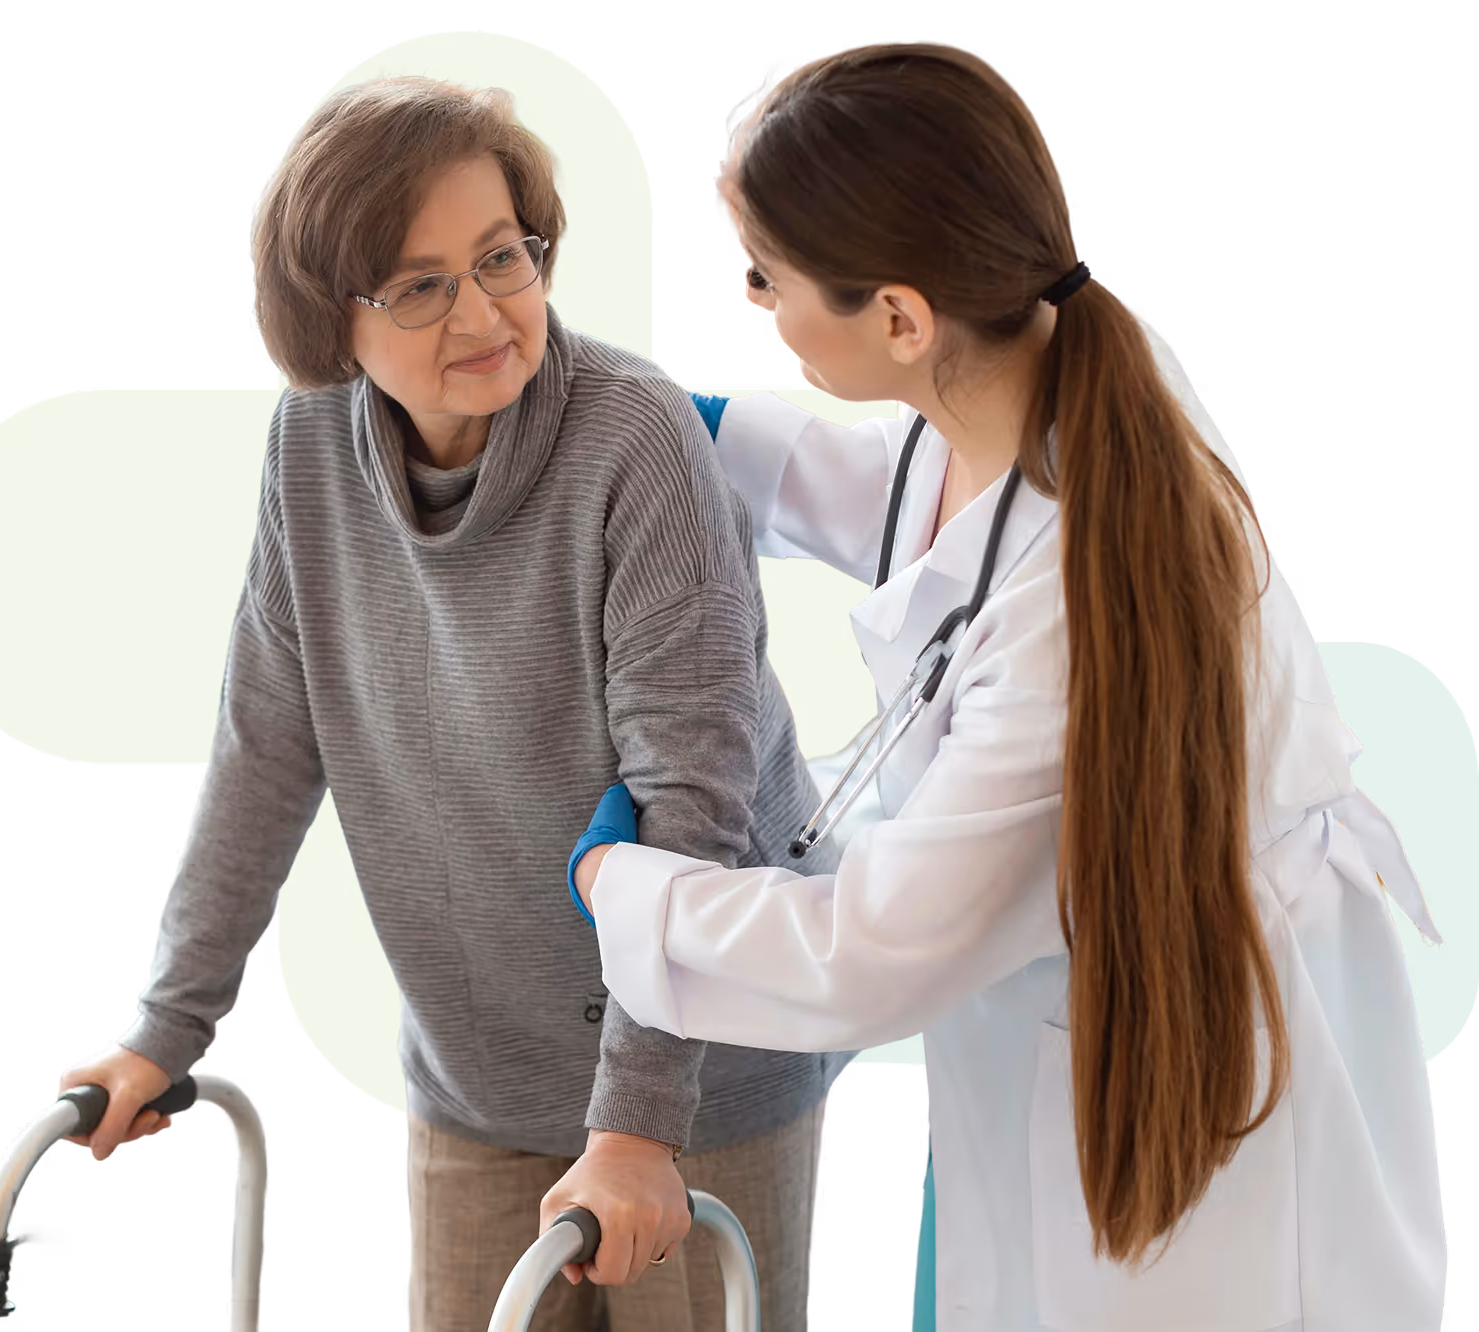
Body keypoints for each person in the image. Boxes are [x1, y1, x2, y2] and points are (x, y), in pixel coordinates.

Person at [560, 41, 1449, 1332]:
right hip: (1066, 1032)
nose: (753, 301)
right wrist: (690, 434)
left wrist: (621, 888)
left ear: (902, 319)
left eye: (766, 277)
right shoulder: (1071, 358)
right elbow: (931, 513)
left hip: (1181, 1087)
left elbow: (867, 954)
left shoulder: (1072, 625)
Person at [53, 74, 858, 1332]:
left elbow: (689, 800)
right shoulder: (309, 448)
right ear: (330, 318)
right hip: (476, 1079)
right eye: (420, 284)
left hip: (698, 1081)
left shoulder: (634, 438)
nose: (482, 311)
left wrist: (641, 1125)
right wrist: (169, 1026)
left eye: (503, 257)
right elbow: (268, 745)